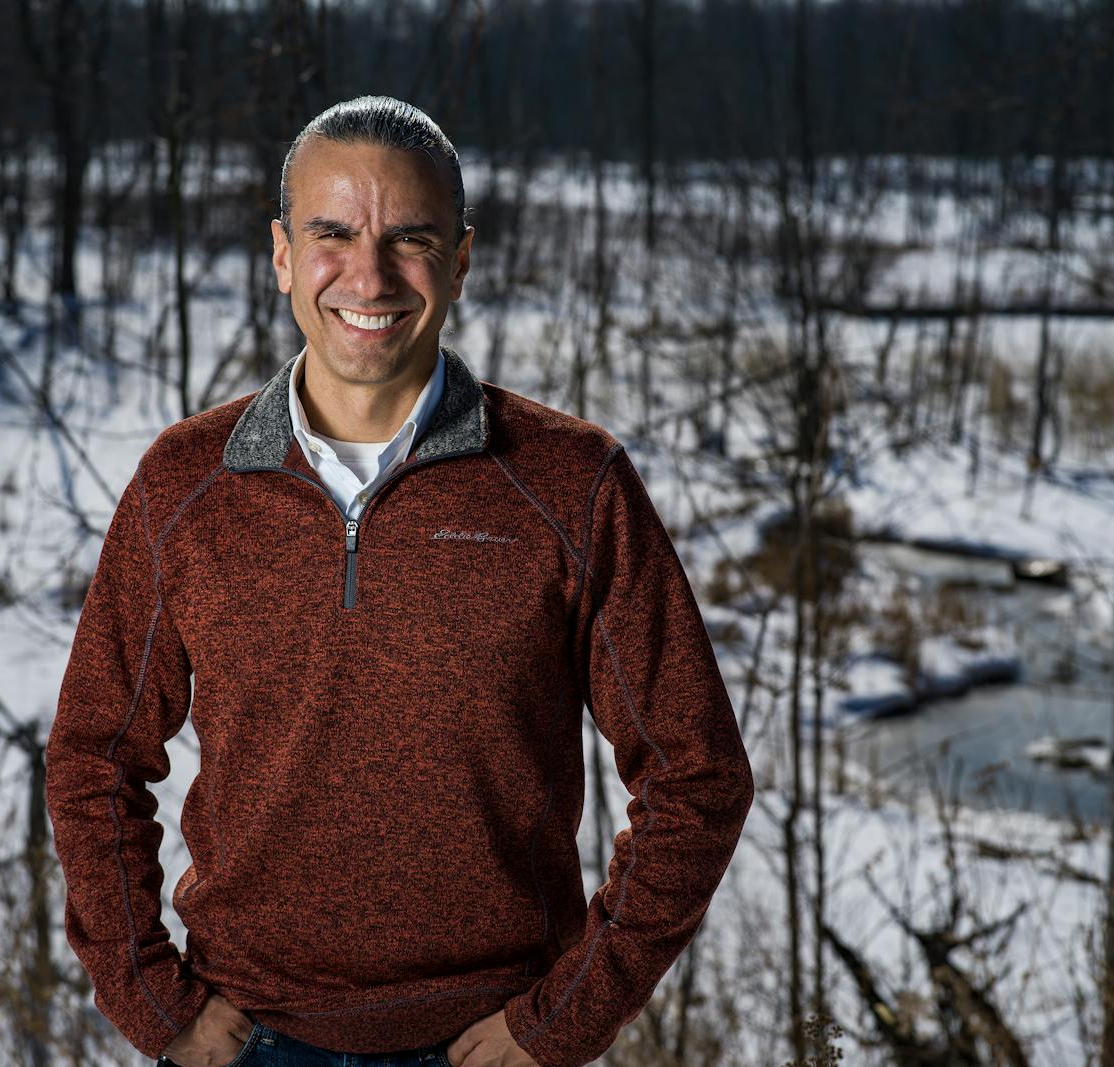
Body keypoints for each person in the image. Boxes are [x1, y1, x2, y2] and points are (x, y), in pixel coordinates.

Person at [45, 95, 755, 1067]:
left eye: (408, 238)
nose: (368, 274)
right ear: (283, 255)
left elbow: (696, 774)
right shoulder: (186, 483)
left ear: (459, 259)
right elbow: (92, 756)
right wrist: (154, 1000)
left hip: (489, 1036)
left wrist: (564, 1017)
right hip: (250, 1037)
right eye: (331, 233)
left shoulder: (565, 481)